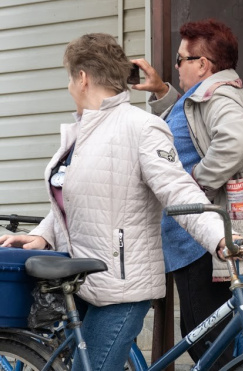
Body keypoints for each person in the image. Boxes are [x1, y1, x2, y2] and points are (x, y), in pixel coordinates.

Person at [0, 33, 227, 371]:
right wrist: (44, 234)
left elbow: (179, 190)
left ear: (82, 78)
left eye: (69, 79)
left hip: (122, 288)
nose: (69, 87)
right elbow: (75, 196)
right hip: (82, 281)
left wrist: (220, 237)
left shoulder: (141, 128)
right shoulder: (82, 130)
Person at [133, 19, 243, 368]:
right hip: (193, 238)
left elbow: (236, 140)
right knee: (207, 337)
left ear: (202, 64)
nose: (176, 66)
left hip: (201, 239)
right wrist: (162, 92)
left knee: (209, 344)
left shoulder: (220, 94)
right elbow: (189, 123)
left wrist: (196, 183)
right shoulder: (206, 94)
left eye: (181, 60)